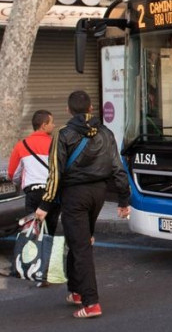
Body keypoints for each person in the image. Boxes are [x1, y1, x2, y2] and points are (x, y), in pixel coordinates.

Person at [35, 90, 131, 320]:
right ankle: (76, 291)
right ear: (90, 109)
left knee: (80, 248)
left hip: (74, 196)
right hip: (98, 194)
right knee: (81, 240)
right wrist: (123, 200)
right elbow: (118, 168)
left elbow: (55, 173)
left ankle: (91, 303)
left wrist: (44, 205)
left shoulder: (63, 134)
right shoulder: (107, 133)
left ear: (69, 110)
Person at [7, 110, 61, 236]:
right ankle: (47, 253)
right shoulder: (57, 144)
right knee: (50, 231)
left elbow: (12, 173)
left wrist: (19, 184)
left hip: (33, 193)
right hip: (53, 194)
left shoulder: (21, 145)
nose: (53, 125)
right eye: (51, 122)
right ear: (43, 125)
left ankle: (34, 254)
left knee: (32, 231)